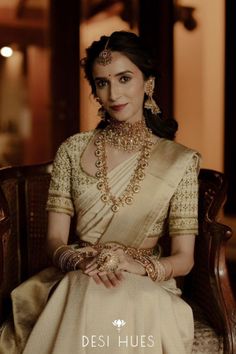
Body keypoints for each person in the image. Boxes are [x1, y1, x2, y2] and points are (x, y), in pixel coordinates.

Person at [0, 31, 200, 354]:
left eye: (124, 78)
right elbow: (54, 240)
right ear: (95, 90)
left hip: (147, 285)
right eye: (102, 83)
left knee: (123, 296)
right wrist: (77, 260)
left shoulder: (179, 161)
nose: (114, 93)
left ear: (148, 83)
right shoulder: (73, 149)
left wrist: (138, 267)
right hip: (81, 272)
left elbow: (185, 258)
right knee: (91, 292)